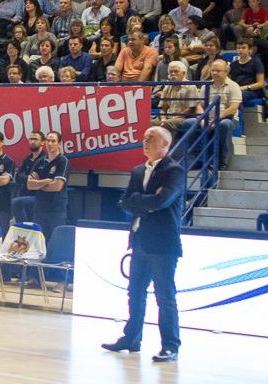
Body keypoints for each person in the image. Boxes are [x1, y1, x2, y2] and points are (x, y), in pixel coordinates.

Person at [103, 126, 184, 362]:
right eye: (145, 137)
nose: (145, 141)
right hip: (139, 239)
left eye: (151, 138)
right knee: (135, 292)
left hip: (162, 242)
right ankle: (132, 338)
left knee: (165, 296)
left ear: (165, 145)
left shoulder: (174, 171)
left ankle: (170, 345)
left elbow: (162, 201)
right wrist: (144, 202)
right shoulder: (138, 170)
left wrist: (141, 202)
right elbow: (125, 202)